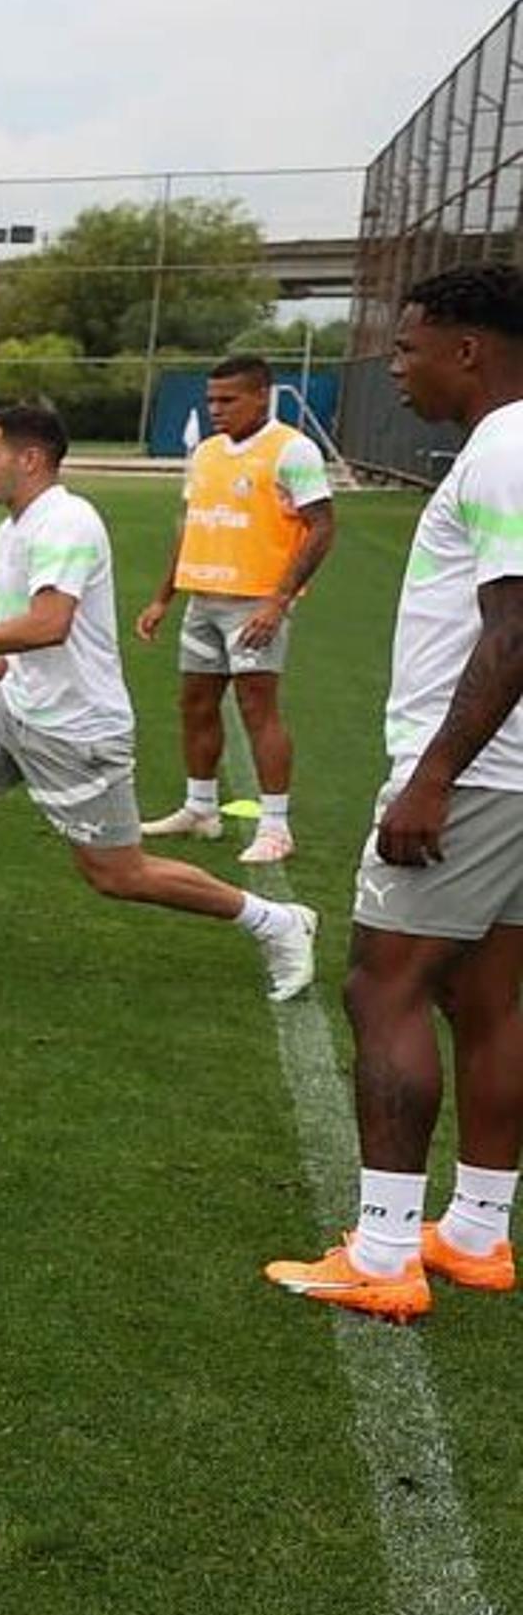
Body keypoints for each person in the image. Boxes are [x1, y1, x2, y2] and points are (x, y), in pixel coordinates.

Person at [0, 404, 316, 994]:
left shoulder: (66, 522)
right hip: (14, 705)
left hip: (77, 729)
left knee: (119, 875)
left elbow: (49, 624)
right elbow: (23, 624)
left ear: (32, 459)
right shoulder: (13, 525)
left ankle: (278, 922)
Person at [266, 266, 523, 1318]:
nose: (395, 366)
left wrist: (432, 776)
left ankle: (380, 1257)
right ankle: (474, 1235)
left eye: (409, 346)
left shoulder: (506, 450)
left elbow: (515, 632)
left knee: (385, 986)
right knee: (489, 997)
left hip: (480, 778)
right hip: (510, 776)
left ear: (468, 349)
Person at [136, 353, 337, 863]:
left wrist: (278, 600)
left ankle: (275, 826)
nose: (216, 409)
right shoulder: (205, 452)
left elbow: (322, 526)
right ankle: (200, 808)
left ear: (262, 396)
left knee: (257, 709)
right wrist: (164, 596)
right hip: (203, 599)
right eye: (211, 400)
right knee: (195, 703)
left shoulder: (293, 450)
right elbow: (192, 526)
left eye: (228, 400)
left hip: (255, 604)